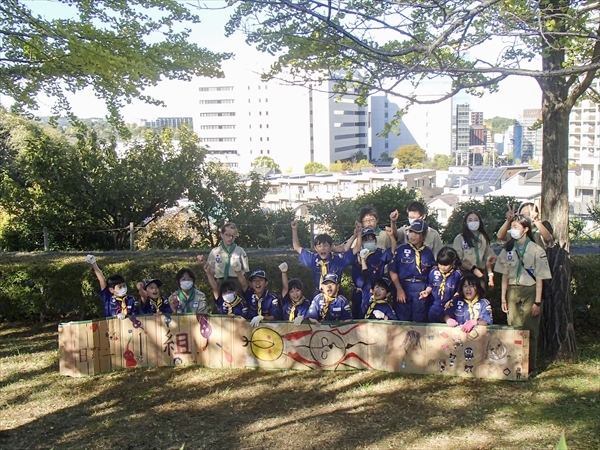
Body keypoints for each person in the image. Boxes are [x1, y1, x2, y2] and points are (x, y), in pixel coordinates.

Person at [494, 214, 552, 374]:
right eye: (512, 227)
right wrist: (503, 297)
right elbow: (504, 274)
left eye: (516, 227)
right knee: (513, 327)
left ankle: (530, 367)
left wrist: (537, 302)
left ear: (526, 229)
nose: (513, 230)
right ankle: (513, 365)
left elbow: (540, 277)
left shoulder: (536, 249)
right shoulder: (508, 249)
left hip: (530, 290)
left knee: (530, 330)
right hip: (513, 290)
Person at [291, 219, 361, 293]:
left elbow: (357, 249)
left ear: (331, 247)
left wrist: (359, 233)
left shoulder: (338, 260)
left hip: (335, 296)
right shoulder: (313, 259)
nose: (322, 248)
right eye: (319, 246)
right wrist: (294, 230)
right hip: (319, 295)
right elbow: (297, 247)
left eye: (325, 246)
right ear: (315, 248)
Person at [388, 219, 435, 322]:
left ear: (424, 235)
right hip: (404, 287)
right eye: (411, 232)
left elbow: (432, 275)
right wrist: (399, 289)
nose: (412, 235)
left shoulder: (428, 252)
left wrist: (428, 290)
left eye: (417, 233)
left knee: (419, 320)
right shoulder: (401, 250)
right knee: (403, 320)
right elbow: (392, 270)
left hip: (420, 289)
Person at [351, 227, 396, 318]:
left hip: (377, 290)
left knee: (376, 316)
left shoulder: (380, 253)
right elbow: (356, 276)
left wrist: (391, 236)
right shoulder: (357, 256)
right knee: (358, 316)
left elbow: (392, 251)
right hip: (361, 291)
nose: (369, 241)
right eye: (366, 240)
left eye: (371, 239)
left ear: (375, 240)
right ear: (362, 242)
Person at [452, 210, 496, 288]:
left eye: (476, 220)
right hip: (465, 273)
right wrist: (473, 269)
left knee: (479, 296)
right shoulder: (460, 238)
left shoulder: (483, 237)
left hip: (481, 274)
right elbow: (458, 259)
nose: (473, 222)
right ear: (465, 223)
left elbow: (488, 258)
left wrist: (490, 276)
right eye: (470, 220)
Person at [86, 254, 136, 318]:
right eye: (120, 287)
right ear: (111, 290)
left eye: (124, 286)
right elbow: (102, 280)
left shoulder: (131, 299)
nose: (123, 288)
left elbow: (136, 315)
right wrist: (94, 263)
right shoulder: (108, 298)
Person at [421, 246, 463, 323]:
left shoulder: (457, 275)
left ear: (453, 262)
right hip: (434, 306)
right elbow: (431, 285)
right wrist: (426, 292)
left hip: (449, 307)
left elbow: (459, 291)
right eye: (440, 264)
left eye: (445, 265)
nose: (442, 267)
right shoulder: (433, 271)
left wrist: (452, 301)